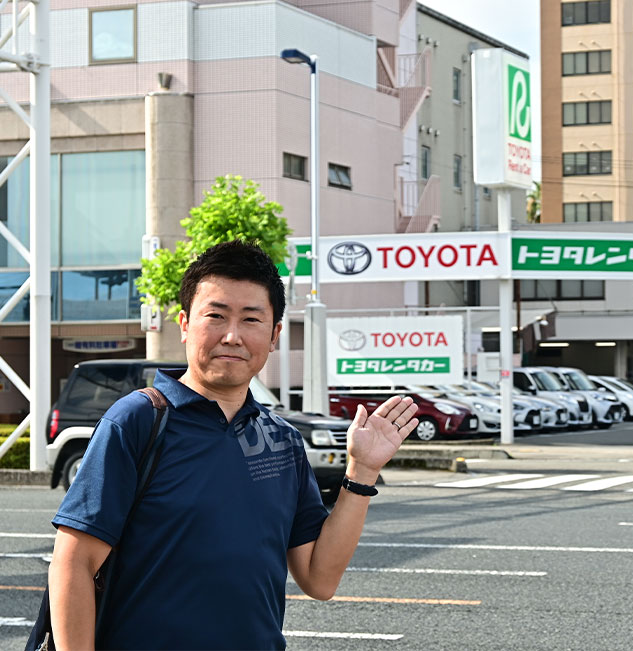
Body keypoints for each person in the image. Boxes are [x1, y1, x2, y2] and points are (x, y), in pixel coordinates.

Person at [48, 240, 418, 650]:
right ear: (186, 324)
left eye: (251, 320)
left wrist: (361, 472)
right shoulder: (138, 420)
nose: (232, 336)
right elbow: (74, 563)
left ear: (275, 334)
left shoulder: (282, 441)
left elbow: (319, 579)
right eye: (216, 316)